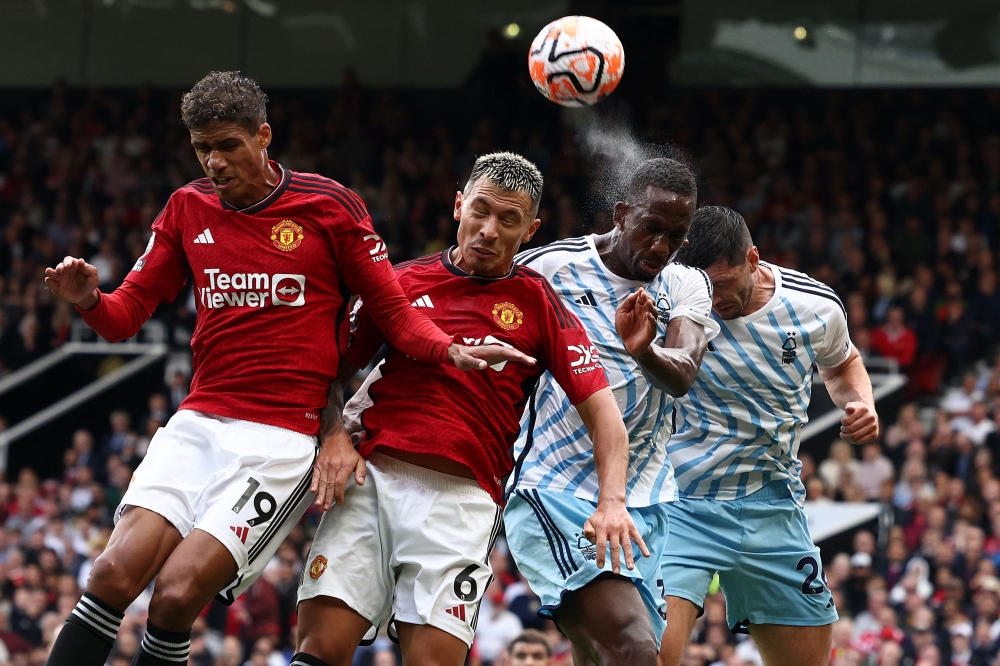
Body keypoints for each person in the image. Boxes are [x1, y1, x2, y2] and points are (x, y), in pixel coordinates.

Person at [41, 72, 523, 666]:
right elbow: (123, 318)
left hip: (280, 443)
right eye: (201, 149)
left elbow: (394, 316)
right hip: (198, 423)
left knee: (173, 596)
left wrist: (451, 349)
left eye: (227, 145)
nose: (214, 162)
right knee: (111, 574)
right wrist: (89, 298)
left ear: (262, 136)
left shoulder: (330, 207)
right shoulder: (187, 208)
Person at [293, 153, 636, 666]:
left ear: (531, 230)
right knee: (317, 654)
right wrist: (334, 438)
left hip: (462, 506)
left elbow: (605, 416)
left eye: (509, 220)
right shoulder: (400, 285)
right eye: (480, 211)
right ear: (459, 206)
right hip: (372, 484)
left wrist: (612, 501)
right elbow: (327, 371)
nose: (488, 230)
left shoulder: (540, 303)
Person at [504, 157, 717, 665]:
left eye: (676, 235)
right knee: (634, 650)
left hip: (646, 501)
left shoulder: (686, 285)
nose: (661, 247)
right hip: (554, 490)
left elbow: (684, 372)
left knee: (616, 656)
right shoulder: (548, 268)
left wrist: (644, 351)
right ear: (621, 213)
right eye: (651, 229)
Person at [660, 206, 879, 666]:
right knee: (648, 654)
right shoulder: (673, 302)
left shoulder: (814, 306)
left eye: (722, 284)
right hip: (680, 501)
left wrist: (861, 402)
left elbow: (842, 365)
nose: (712, 300)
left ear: (753, 259)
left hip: (773, 503)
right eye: (702, 288)